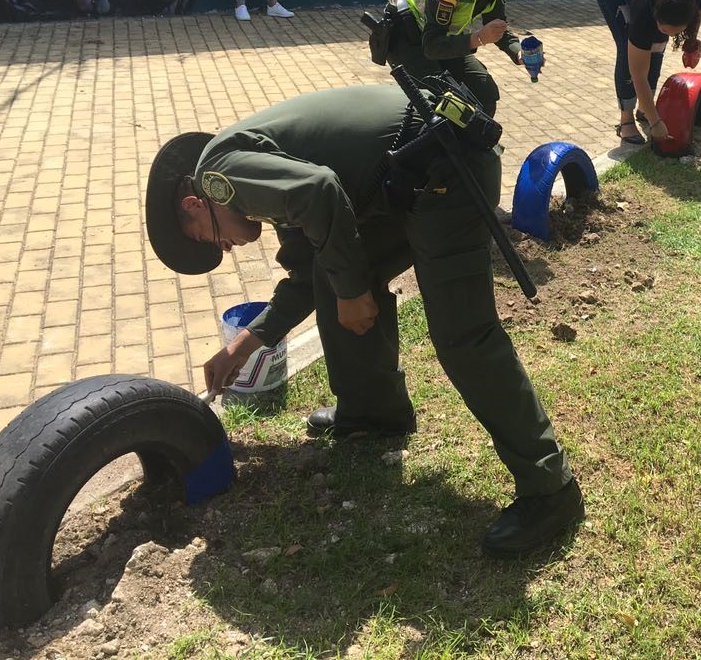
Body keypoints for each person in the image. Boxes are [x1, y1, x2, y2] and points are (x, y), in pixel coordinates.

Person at [143, 84, 584, 557]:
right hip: (416, 169)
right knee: (335, 276)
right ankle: (375, 414)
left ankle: (550, 490)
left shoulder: (220, 177)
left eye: (210, 240)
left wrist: (354, 294)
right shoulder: (244, 174)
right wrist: (247, 342)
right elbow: (314, 264)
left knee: (464, 334)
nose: (226, 248)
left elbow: (320, 192)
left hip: (444, 167)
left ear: (196, 204)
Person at [383, 0, 532, 118]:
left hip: (442, 39)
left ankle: (468, 146)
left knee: (484, 94)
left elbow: (498, 25)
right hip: (407, 39)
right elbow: (432, 47)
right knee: (445, 103)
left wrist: (518, 52)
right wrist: (478, 38)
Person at [592, 0, 701, 145]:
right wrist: (656, 122)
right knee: (627, 48)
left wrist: (691, 42)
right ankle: (626, 121)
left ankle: (644, 109)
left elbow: (696, 16)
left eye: (673, 31)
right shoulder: (643, 11)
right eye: (662, 28)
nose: (666, 34)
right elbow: (638, 74)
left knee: (657, 45)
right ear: (655, 14)